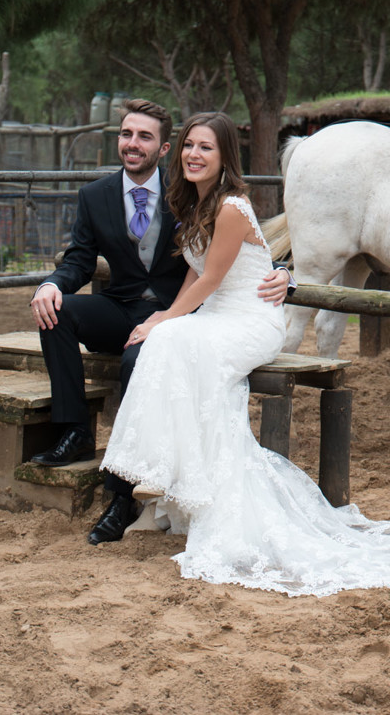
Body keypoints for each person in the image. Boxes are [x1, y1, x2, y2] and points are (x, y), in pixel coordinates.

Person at [99, 111, 390, 597]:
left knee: (169, 338)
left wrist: (162, 317)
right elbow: (191, 272)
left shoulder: (230, 207)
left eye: (206, 148)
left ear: (224, 159)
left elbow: (213, 279)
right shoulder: (192, 202)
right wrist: (170, 318)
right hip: (216, 314)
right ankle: (162, 483)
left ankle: (161, 479)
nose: (194, 155)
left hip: (249, 318)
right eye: (188, 146)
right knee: (170, 342)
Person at [29, 99, 291, 546]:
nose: (133, 144)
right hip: (127, 307)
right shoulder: (123, 196)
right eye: (126, 134)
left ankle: (123, 497)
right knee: (57, 314)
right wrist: (51, 284)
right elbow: (78, 259)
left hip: (190, 310)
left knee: (148, 356)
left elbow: (240, 258)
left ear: (161, 147)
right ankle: (73, 430)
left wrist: (288, 275)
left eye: (145, 136)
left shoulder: (189, 194)